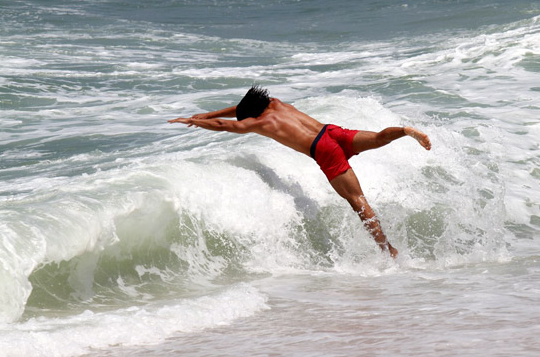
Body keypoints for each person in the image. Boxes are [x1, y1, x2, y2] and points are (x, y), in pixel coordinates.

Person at [168, 86, 431, 258]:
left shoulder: (259, 123)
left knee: (357, 200)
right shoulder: (275, 103)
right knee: (376, 138)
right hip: (331, 131)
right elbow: (235, 110)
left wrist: (197, 121)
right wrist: (205, 114)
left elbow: (225, 125)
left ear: (251, 114)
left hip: (323, 150)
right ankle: (406, 131)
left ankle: (388, 249)